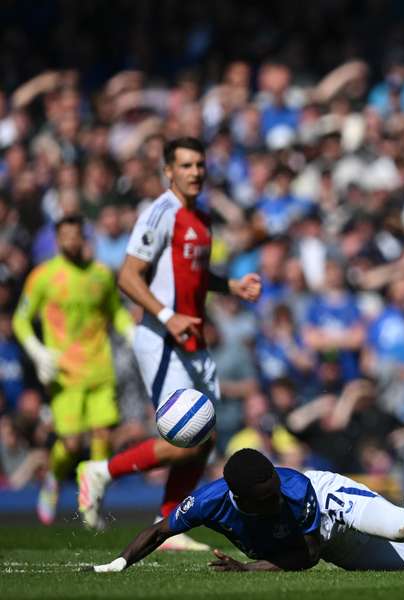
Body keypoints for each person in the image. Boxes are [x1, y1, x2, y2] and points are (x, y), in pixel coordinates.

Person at [76, 137, 262, 550]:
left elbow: (193, 276)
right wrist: (166, 316)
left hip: (191, 339)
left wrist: (230, 285)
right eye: (186, 165)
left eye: (200, 164)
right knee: (185, 438)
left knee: (205, 436)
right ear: (168, 171)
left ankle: (168, 523)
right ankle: (101, 470)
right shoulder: (160, 213)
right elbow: (127, 276)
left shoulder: (202, 215)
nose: (195, 172)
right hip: (162, 340)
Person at [86, 433, 404, 573]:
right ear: (241, 498)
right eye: (265, 492)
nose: (275, 492)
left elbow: (304, 559)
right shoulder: (207, 502)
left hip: (330, 504)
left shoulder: (298, 490)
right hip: (323, 544)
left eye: (274, 483)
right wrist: (120, 563)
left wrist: (249, 569)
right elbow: (161, 529)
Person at [12, 215, 135, 525]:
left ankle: (90, 502)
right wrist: (38, 352)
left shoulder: (102, 275)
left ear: (83, 237)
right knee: (70, 444)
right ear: (57, 240)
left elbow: (116, 312)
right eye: (64, 236)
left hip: (100, 368)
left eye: (75, 235)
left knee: (103, 436)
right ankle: (52, 479)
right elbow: (20, 319)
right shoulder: (43, 276)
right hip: (65, 373)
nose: (70, 241)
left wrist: (131, 333)